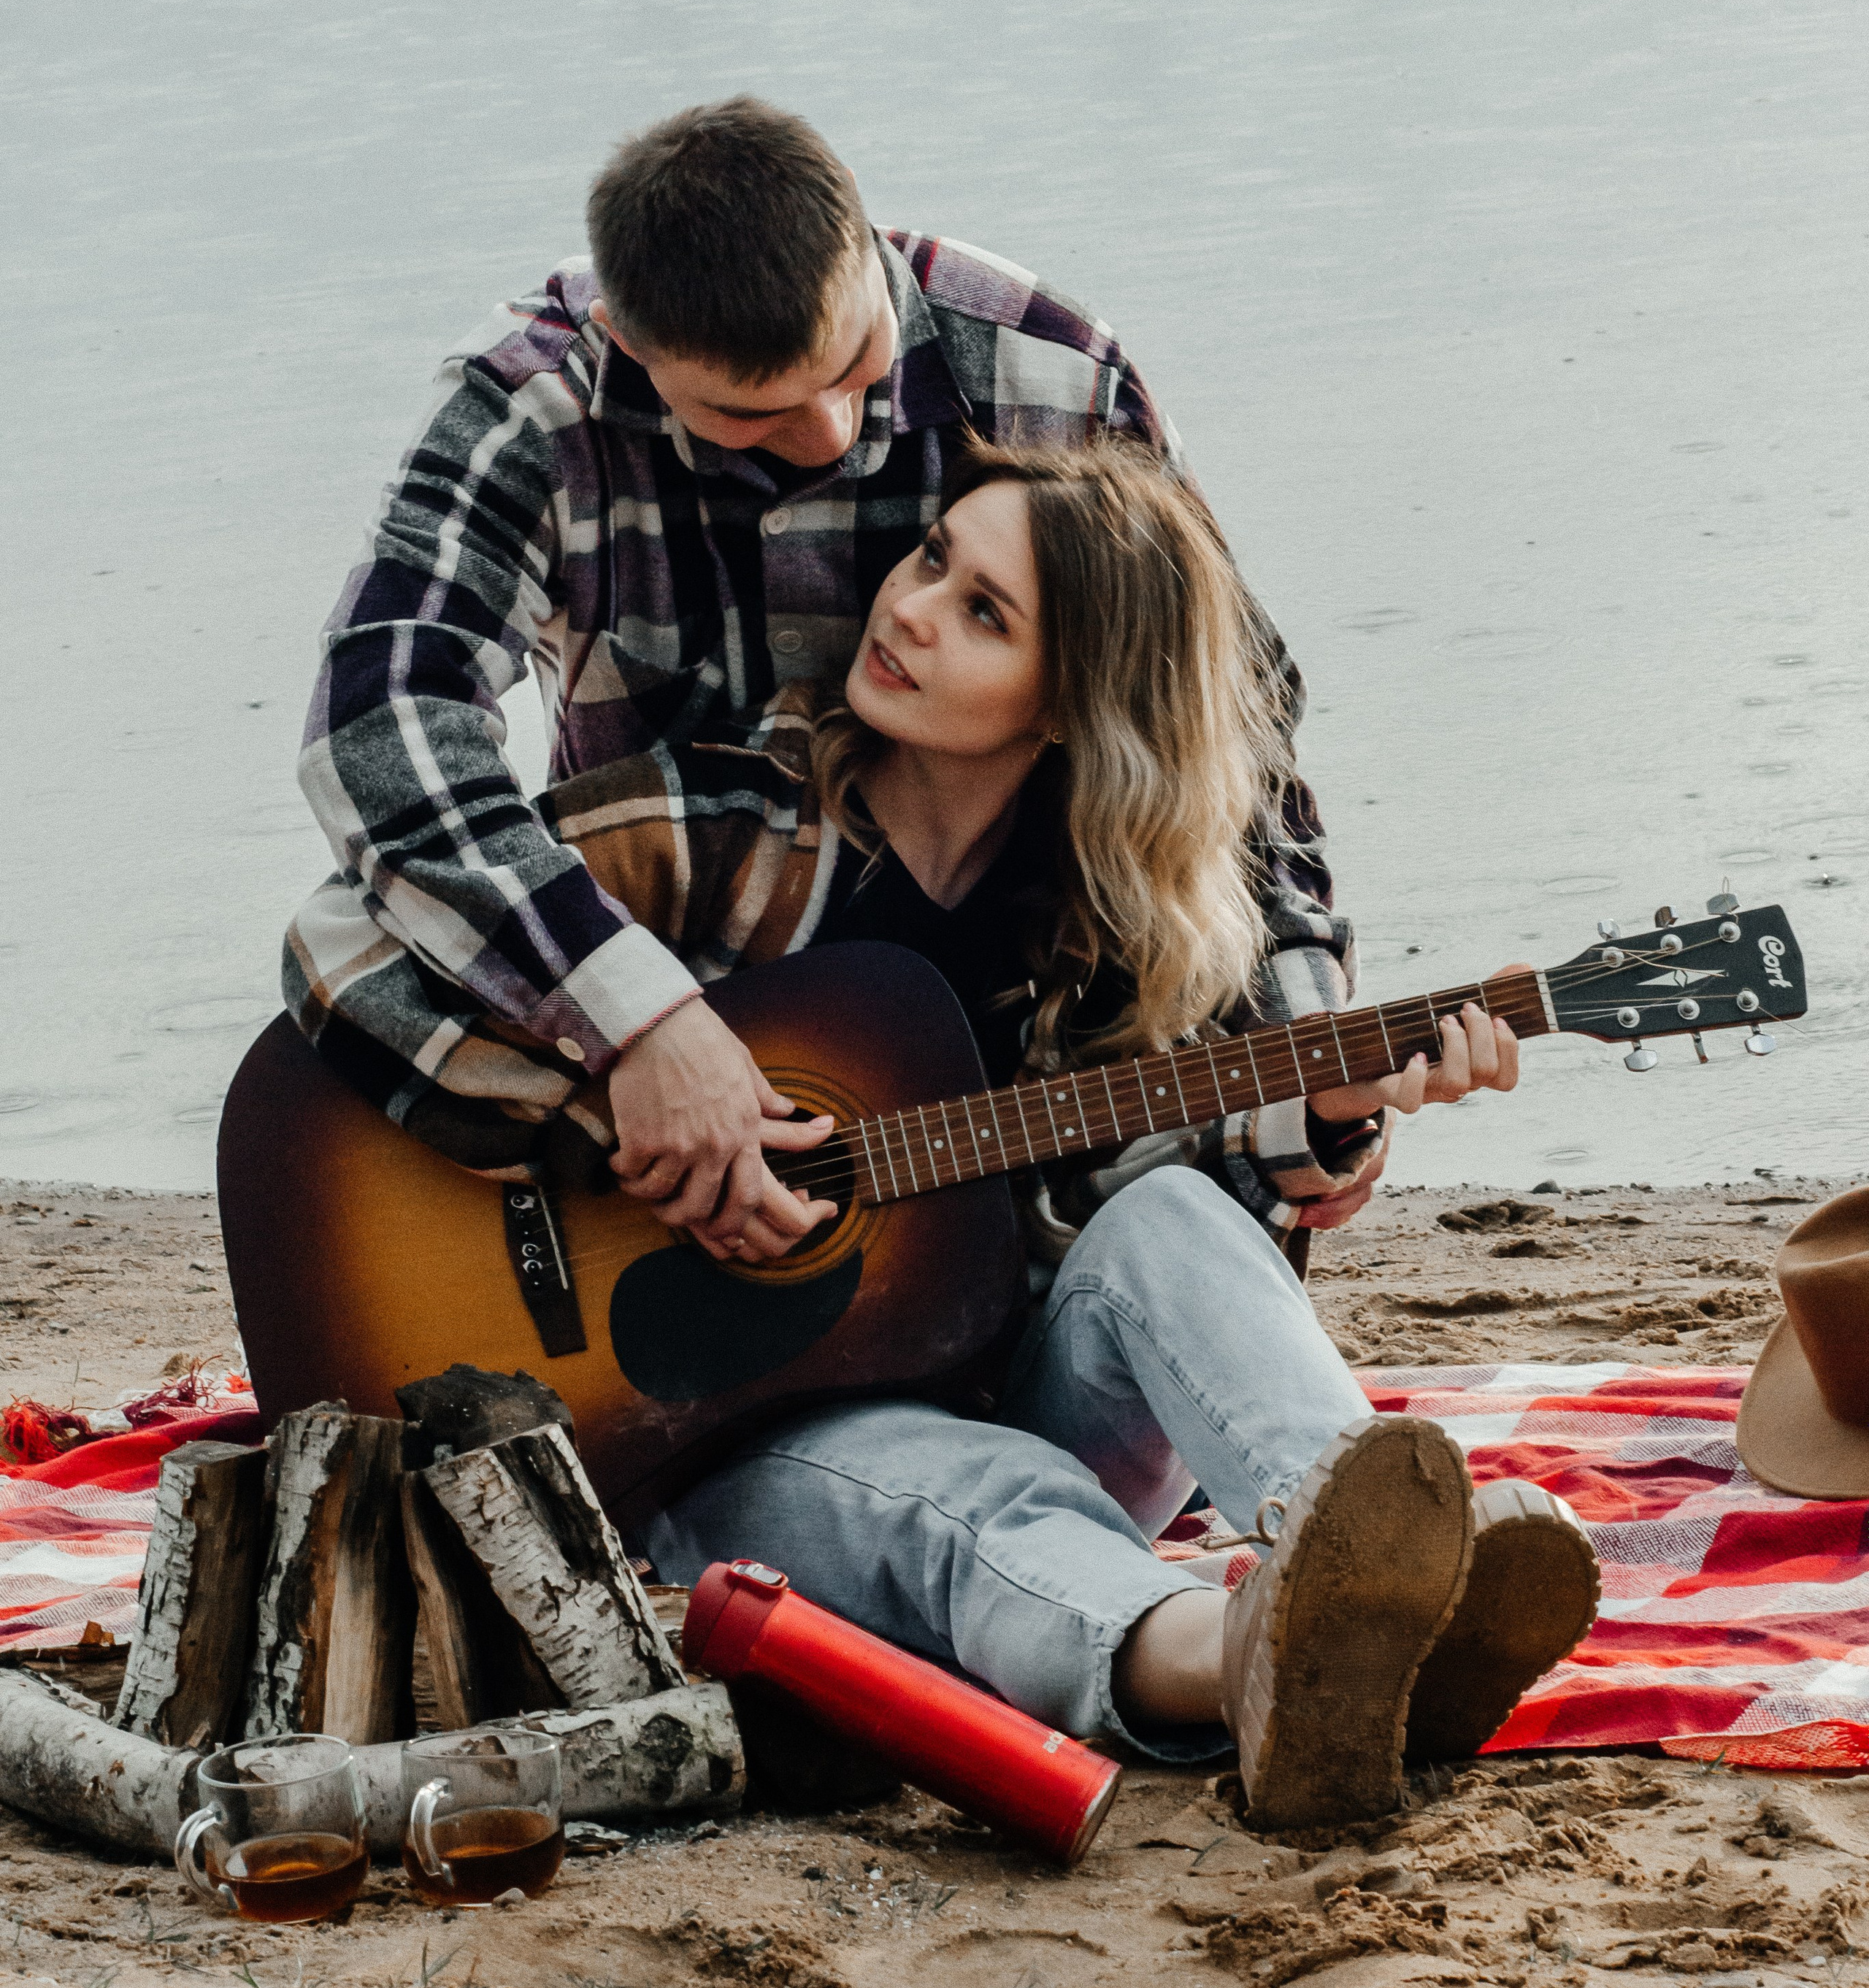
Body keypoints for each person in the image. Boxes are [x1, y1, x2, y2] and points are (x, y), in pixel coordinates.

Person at [286, 441, 1599, 1826]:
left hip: (993, 1383)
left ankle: (1397, 1576)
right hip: (700, 1450)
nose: (911, 611)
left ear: (1072, 705)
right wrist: (619, 1085)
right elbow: (340, 944)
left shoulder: (1104, 926)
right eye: (933, 562)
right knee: (987, 1491)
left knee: (1173, 1223)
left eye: (986, 614)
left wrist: (1325, 1115)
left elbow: (1180, 1266)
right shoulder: (718, 823)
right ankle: (1250, 1659)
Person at [293, 93, 1390, 1266]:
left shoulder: (1057, 376)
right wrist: (642, 1027)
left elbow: (1228, 733)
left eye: (858, 365)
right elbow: (382, 730)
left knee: (1155, 1251)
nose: (828, 433)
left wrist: (1311, 1043)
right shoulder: (533, 412)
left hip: (1009, 1046)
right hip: (670, 976)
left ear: (865, 245)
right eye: (747, 416)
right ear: (626, 338)